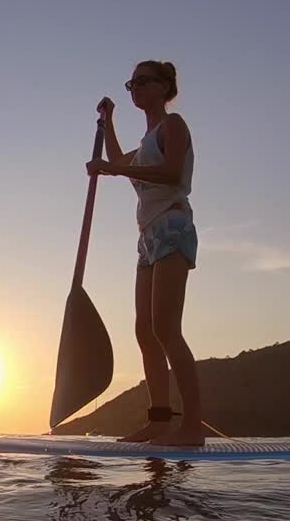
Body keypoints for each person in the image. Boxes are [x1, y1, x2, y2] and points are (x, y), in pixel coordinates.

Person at [85, 60, 203, 446]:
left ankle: (193, 427)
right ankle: (159, 420)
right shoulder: (147, 140)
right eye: (130, 83)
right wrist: (109, 119)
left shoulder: (174, 125)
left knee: (167, 328)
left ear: (164, 86)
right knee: (145, 331)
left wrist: (112, 170)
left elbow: (171, 173)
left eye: (142, 81)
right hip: (147, 236)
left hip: (173, 227)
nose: (134, 87)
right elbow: (120, 161)